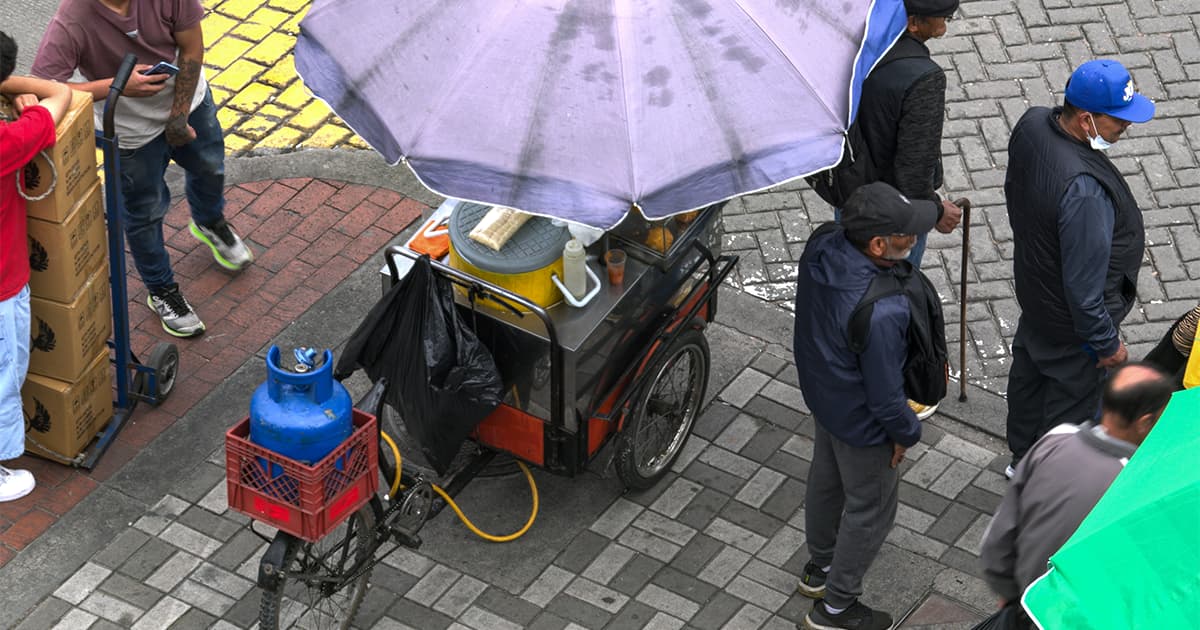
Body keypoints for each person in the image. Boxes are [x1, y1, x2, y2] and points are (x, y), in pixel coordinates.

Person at [32, 0, 253, 338]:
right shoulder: (72, 19)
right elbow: (42, 90)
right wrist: (115, 87)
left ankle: (209, 222)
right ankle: (161, 289)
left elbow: (192, 47)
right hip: (129, 134)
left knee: (211, 169)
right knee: (144, 213)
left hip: (190, 106)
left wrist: (179, 118)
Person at [793, 181, 936, 630]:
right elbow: (886, 396)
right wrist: (906, 434)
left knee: (826, 478)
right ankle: (836, 608)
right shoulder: (884, 309)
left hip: (824, 394)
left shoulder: (822, 244)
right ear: (878, 244)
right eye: (904, 235)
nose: (913, 240)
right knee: (870, 509)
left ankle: (820, 568)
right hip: (864, 422)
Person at [1002, 59, 1155, 477]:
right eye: (1118, 121)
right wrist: (1107, 346)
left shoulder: (1033, 124)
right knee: (1070, 409)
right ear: (1087, 119)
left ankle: (1021, 460)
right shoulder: (1084, 193)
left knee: (1029, 381)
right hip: (1076, 326)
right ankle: (1044, 482)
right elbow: (1084, 292)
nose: (1126, 128)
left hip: (1037, 296)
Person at [979, 363, 1173, 628]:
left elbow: (1000, 533)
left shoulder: (1057, 438)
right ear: (1144, 422)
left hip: (1023, 607)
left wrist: (1009, 594)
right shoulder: (1136, 491)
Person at [1, 31, 72, 502]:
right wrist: (19, 96)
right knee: (5, 376)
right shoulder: (10, 139)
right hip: (3, 286)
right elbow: (60, 95)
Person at [847, 0, 964, 268]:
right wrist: (935, 210)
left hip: (853, 196)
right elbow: (914, 171)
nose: (944, 26)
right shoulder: (925, 80)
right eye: (942, 18)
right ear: (913, 23)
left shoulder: (856, 41)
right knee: (893, 289)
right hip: (895, 216)